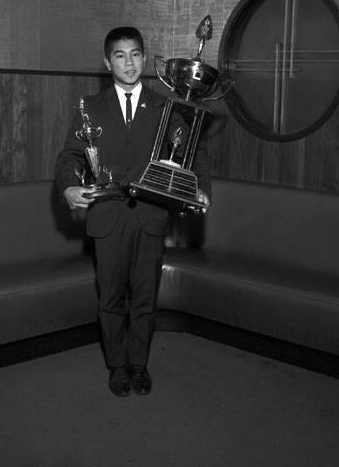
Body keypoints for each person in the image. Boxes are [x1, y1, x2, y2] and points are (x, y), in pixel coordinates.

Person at [55, 26, 211, 397]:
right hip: (108, 219)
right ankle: (116, 365)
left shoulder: (164, 106)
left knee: (144, 298)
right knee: (110, 299)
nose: (130, 62)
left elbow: (192, 155)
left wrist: (199, 188)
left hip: (151, 216)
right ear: (107, 61)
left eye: (136, 54)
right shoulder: (89, 107)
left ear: (145, 58)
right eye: (121, 55)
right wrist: (68, 187)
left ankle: (138, 365)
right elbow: (70, 156)